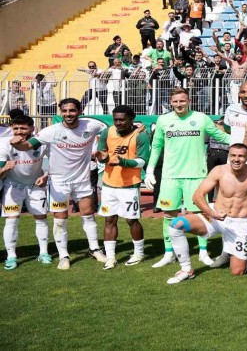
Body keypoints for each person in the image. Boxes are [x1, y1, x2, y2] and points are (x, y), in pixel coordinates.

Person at [9, 99, 106, 269]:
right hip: (59, 183)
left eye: (72, 110)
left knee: (88, 214)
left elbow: (110, 132)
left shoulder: (92, 126)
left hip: (82, 180)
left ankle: (95, 249)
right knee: (60, 219)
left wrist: (103, 148)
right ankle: (63, 255)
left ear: (79, 111)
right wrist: (17, 144)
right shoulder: (51, 131)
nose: (68, 114)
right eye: (65, 111)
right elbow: (28, 146)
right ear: (60, 112)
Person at [146, 88, 231, 269]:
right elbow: (157, 146)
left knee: (199, 215)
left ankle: (203, 252)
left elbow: (221, 136)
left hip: (196, 175)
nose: (179, 104)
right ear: (171, 102)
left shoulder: (201, 118)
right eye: (175, 101)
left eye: (182, 101)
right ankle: (169, 253)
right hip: (171, 176)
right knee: (169, 214)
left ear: (189, 101)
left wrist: (246, 141)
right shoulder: (163, 120)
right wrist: (150, 170)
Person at [163, 144, 247, 283]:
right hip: (216, 217)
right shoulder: (219, 171)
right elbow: (197, 196)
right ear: (229, 156)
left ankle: (238, 256)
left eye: (241, 156)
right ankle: (186, 269)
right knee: (176, 224)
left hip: (238, 224)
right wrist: (212, 214)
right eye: (233, 155)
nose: (236, 159)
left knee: (238, 271)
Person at [92, 105, 150, 269]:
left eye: (122, 120)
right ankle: (110, 257)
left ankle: (138, 253)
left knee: (131, 220)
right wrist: (102, 157)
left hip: (130, 185)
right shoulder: (107, 132)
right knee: (109, 219)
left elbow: (142, 161)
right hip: (109, 184)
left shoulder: (141, 135)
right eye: (115, 119)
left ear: (131, 119)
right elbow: (103, 154)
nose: (118, 123)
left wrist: (122, 161)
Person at [1, 115, 51, 269]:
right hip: (13, 186)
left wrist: (45, 176)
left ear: (32, 129)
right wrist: (4, 169)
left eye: (23, 128)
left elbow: (56, 163)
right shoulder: (4, 144)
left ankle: (43, 253)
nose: (19, 131)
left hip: (35, 186)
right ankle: (11, 257)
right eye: (15, 128)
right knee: (11, 219)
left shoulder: (41, 143)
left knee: (41, 217)